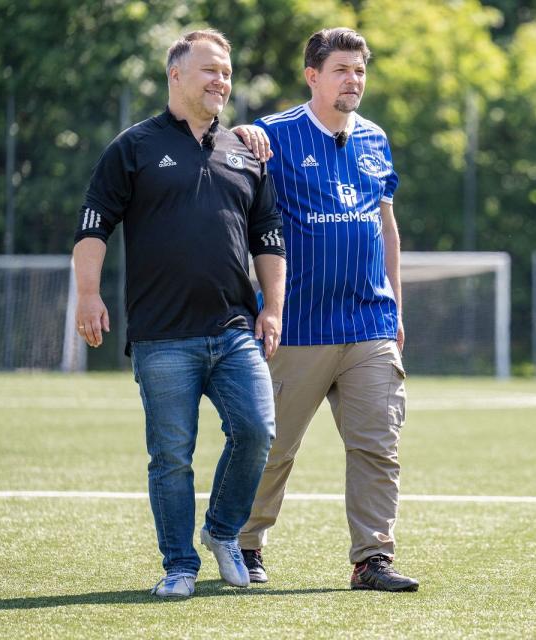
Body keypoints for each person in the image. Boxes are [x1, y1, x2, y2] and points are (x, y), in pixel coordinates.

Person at [72, 29, 286, 598]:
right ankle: (179, 566)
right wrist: (88, 295)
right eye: (210, 70)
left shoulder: (246, 150)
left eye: (227, 72)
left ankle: (221, 532)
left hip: (235, 329)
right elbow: (93, 225)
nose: (221, 80)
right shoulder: (132, 147)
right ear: (175, 74)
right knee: (171, 455)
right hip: (162, 336)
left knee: (258, 430)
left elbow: (269, 238)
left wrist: (274, 309)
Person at [231, 27, 418, 592]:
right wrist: (235, 133)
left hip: (370, 322)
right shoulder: (273, 135)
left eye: (359, 70)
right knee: (271, 448)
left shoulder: (375, 139)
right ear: (312, 76)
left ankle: (373, 558)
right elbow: (223, 177)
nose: (353, 80)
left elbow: (387, 227)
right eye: (341, 70)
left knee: (378, 446)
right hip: (297, 324)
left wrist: (397, 308)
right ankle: (244, 544)